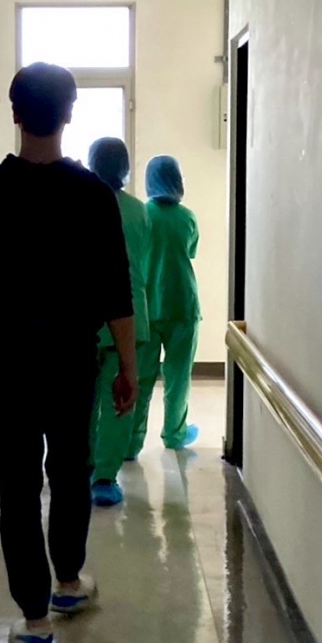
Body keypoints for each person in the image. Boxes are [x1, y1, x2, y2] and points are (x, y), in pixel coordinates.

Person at [0, 63, 139, 643]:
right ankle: (68, 583)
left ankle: (35, 619)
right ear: (69, 113)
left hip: (10, 358)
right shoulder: (94, 196)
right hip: (73, 357)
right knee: (71, 471)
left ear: (16, 114)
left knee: (19, 485)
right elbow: (116, 291)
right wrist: (127, 367)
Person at [87, 137, 151, 508]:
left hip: (85, 318)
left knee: (82, 399)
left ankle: (83, 465)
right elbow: (141, 261)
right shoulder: (139, 211)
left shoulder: (79, 205)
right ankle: (105, 478)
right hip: (130, 316)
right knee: (120, 401)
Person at [131, 155, 201, 454]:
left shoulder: (141, 215)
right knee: (178, 376)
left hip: (147, 306)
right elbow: (191, 251)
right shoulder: (187, 218)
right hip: (182, 304)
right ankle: (174, 434)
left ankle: (132, 442)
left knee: (141, 377)